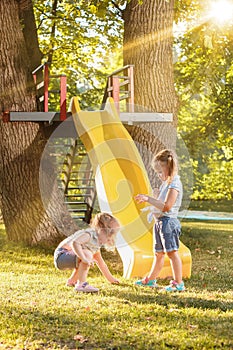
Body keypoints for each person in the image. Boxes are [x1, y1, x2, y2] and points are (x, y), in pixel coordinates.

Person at [134, 149, 185, 292]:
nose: (158, 175)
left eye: (159, 171)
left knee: (172, 253)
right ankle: (150, 280)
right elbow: (161, 203)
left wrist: (148, 199)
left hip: (168, 222)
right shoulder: (166, 183)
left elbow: (167, 207)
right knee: (159, 253)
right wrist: (154, 197)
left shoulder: (174, 183)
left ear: (168, 167)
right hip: (160, 223)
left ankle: (178, 283)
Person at [54, 212, 120, 293]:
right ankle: (81, 284)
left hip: (68, 257)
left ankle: (72, 281)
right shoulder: (89, 234)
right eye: (108, 235)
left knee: (87, 255)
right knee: (87, 255)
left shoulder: (95, 245)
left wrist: (111, 279)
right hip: (61, 256)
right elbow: (75, 243)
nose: (109, 238)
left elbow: (101, 263)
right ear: (100, 229)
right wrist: (84, 258)